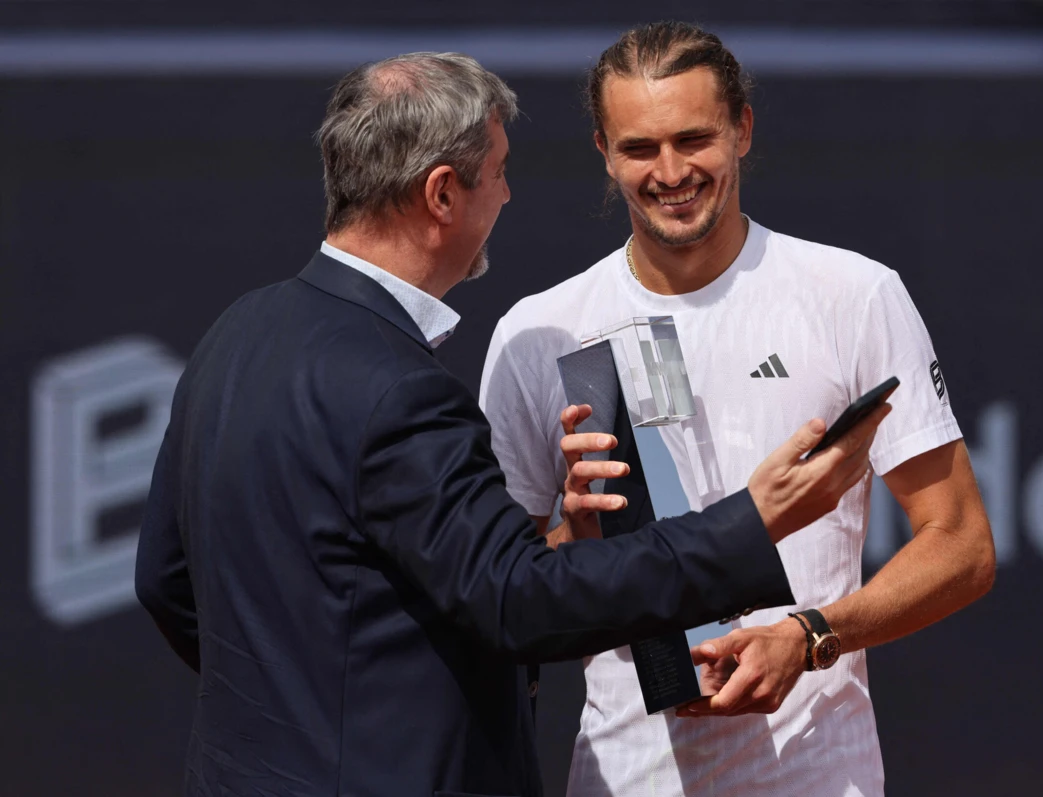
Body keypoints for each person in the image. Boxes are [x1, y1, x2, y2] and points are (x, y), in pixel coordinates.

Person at [133, 52, 891, 797]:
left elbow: (166, 578)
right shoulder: (400, 387)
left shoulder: (235, 333)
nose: (505, 194)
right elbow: (514, 602)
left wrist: (305, 709)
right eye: (496, 171)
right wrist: (751, 519)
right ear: (441, 194)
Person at [479, 22, 996, 797]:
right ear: (602, 150)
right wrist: (576, 537)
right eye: (640, 148)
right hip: (620, 777)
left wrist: (813, 634)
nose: (671, 172)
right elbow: (496, 597)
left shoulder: (852, 295)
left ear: (742, 129)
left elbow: (961, 544)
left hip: (822, 776)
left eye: (695, 139)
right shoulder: (536, 333)